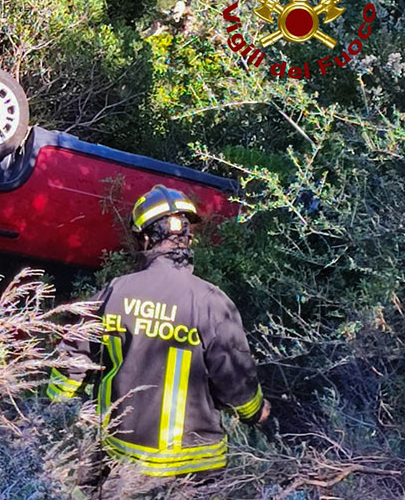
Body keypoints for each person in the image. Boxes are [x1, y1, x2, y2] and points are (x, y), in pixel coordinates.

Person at [47, 185, 270, 495]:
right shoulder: (210, 300)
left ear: (145, 239)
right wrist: (255, 412)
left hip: (121, 463)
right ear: (188, 239)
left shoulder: (115, 291)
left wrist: (55, 407)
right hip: (193, 470)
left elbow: (73, 355)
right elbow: (235, 379)